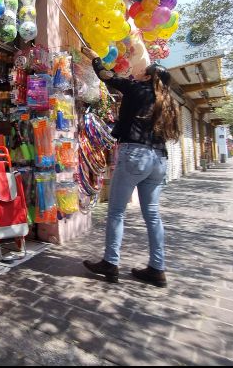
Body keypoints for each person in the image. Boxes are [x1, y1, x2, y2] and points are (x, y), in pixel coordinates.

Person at [80, 45, 180, 287]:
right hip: (159, 159)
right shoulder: (168, 102)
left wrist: (95, 58)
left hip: (135, 154)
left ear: (149, 76)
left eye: (144, 71)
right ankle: (158, 268)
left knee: (116, 211)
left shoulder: (138, 89)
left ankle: (110, 263)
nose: (139, 73)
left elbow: (107, 76)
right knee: (153, 216)